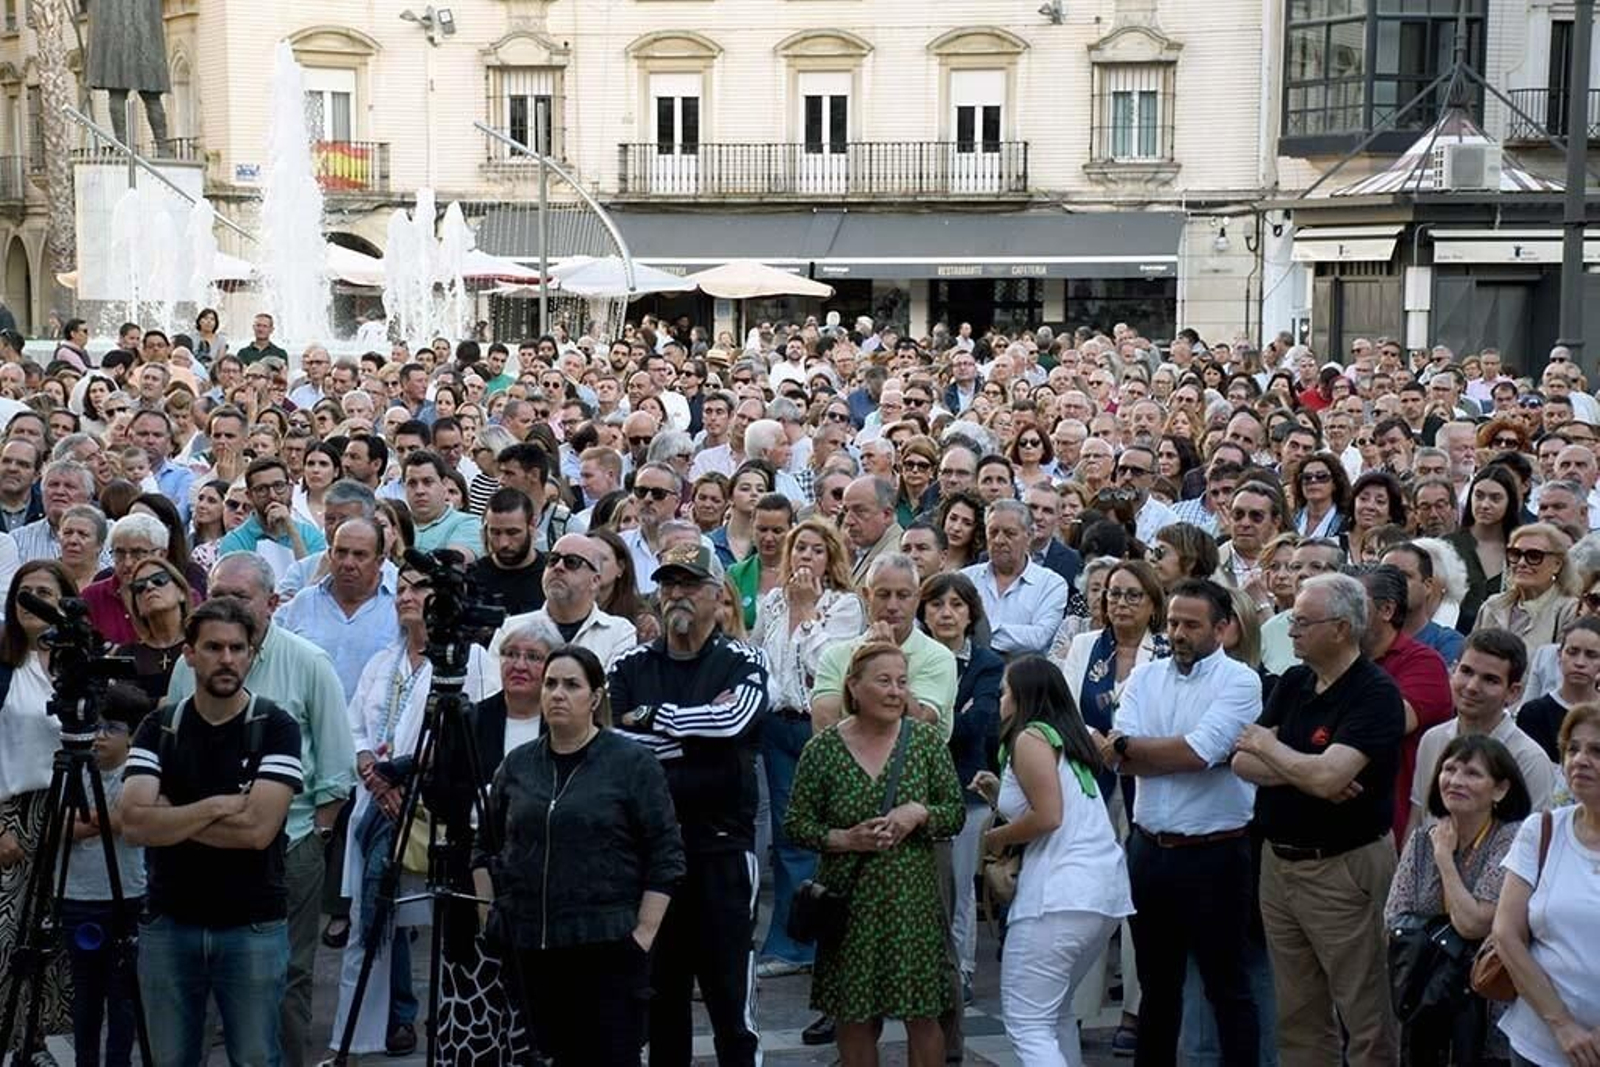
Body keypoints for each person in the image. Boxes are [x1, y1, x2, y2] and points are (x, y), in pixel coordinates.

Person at [163, 552, 354, 1067]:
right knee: (194, 976)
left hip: (288, 846)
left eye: (239, 597)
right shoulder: (192, 665)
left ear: (272, 603)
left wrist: (316, 833)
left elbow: (337, 766)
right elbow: (168, 751)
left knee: (286, 977)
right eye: (218, 594)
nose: (226, 605)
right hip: (197, 847)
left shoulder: (308, 662)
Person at [479, 645, 686, 1067]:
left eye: (571, 685)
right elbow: (484, 844)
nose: (557, 693)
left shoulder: (631, 763)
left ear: (594, 698)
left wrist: (643, 933)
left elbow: (666, 853)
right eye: (551, 683)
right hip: (531, 948)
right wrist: (489, 917)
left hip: (607, 947)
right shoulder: (518, 765)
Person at [1232, 572, 1406, 1066]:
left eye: (1303, 622)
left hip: (1343, 868)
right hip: (1279, 864)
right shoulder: (1294, 681)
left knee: (1366, 1015)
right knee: (1299, 1015)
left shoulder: (1374, 693)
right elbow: (1242, 762)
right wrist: (1306, 770)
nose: (1291, 631)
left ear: (1342, 628)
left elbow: (1304, 768)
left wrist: (1273, 748)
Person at [122, 598, 304, 1067]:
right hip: (170, 923)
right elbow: (134, 823)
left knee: (256, 1057)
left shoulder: (275, 726)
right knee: (169, 1059)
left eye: (238, 648)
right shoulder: (158, 726)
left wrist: (172, 816)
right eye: (214, 647)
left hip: (252, 926)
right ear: (189, 653)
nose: (227, 659)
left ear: (251, 654)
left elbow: (257, 831)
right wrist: (218, 806)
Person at [607, 543, 769, 1067]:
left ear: (718, 594)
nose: (675, 594)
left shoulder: (743, 659)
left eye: (688, 583)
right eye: (668, 584)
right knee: (660, 1000)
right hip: (651, 856)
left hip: (722, 850)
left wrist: (654, 718)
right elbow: (616, 742)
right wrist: (692, 733)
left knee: (730, 1002)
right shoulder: (630, 664)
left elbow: (733, 723)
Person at [1102, 579, 1262, 1066]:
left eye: (1191, 624)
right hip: (1150, 851)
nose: (1178, 633)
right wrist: (1141, 751)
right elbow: (1116, 755)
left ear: (1223, 628)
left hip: (1216, 854)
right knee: (1156, 987)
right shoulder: (1146, 678)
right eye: (1173, 622)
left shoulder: (1240, 681)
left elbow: (1199, 752)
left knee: (1227, 987)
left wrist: (1137, 750)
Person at [785, 642, 965, 1067]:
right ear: (854, 686)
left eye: (902, 683)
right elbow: (796, 824)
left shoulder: (923, 742)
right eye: (883, 681)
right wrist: (846, 839)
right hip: (851, 906)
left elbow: (955, 812)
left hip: (911, 906)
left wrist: (918, 813)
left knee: (922, 1014)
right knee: (855, 1018)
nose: (895, 692)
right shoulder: (823, 750)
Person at [965, 654, 1132, 1067]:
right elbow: (1055, 805)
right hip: (1099, 893)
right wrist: (996, 796)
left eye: (1005, 692)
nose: (1001, 700)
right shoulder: (1067, 737)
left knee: (1026, 1022)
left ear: (1023, 697)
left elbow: (1049, 817)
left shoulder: (1029, 738)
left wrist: (994, 838)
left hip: (1057, 896)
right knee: (1054, 1016)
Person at [749, 518, 866, 978]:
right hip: (779, 726)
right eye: (800, 549)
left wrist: (805, 615)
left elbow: (827, 668)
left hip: (824, 726)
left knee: (826, 834)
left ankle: (819, 943)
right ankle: (792, 942)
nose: (805, 557)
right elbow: (763, 658)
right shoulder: (773, 600)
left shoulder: (846, 606)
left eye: (817, 550)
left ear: (831, 557)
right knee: (790, 835)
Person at [1384, 735, 1530, 1065]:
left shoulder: (1513, 839)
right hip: (1426, 999)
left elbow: (1475, 923)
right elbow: (1394, 920)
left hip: (1488, 1002)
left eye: (1472, 773)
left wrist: (1445, 860)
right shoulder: (1423, 838)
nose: (1456, 781)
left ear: (1500, 789)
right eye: (1449, 769)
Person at [1490, 703, 1600, 1067]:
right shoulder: (1542, 830)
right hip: (1539, 1044)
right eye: (1573, 748)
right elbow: (1506, 933)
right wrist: (1563, 1025)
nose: (1581, 760)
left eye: (1597, 751)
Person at [0, 562, 76, 1057]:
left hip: (72, 814)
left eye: (44, 593)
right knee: (7, 944)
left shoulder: (79, 662)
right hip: (12, 812)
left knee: (62, 943)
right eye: (24, 593)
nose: (32, 601)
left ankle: (51, 1049)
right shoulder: (5, 661)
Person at [918, 572, 1003, 995]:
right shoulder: (911, 657)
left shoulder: (987, 663)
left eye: (955, 604)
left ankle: (960, 970)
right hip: (918, 789)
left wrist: (935, 715)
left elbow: (974, 726)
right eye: (936, 604)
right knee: (920, 890)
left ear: (971, 613)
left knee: (959, 887)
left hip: (966, 786)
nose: (946, 613)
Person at [1408, 629, 1558, 834]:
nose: (1471, 687)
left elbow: (1531, 846)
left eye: (1490, 680)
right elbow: (1418, 819)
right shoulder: (1433, 740)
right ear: (1453, 671)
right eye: (1466, 671)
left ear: (1513, 692)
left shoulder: (1529, 760)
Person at [60, 716, 145, 1067]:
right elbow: (57, 825)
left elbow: (132, 823)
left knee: (123, 996)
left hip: (126, 894)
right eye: (96, 727)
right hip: (76, 895)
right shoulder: (70, 770)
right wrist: (107, 821)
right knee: (86, 994)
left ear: (131, 738)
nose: (100, 736)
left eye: (112, 728)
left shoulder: (138, 774)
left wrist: (87, 821)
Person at [276, 517, 398, 701]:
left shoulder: (396, 609)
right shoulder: (304, 602)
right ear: (329, 555)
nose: (348, 563)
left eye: (360, 555)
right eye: (341, 552)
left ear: (380, 562)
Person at [489, 534, 638, 673]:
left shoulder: (619, 633)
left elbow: (611, 696)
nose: (558, 567)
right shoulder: (510, 629)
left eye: (572, 562)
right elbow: (493, 693)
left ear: (595, 581)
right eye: (553, 559)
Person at [961, 500, 1069, 657]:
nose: (999, 540)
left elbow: (1039, 638)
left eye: (1009, 533)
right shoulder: (966, 579)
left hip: (1025, 678)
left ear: (1029, 536)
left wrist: (977, 632)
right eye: (993, 532)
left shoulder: (1051, 584)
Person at [1474, 523, 1577, 650]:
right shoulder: (1492, 606)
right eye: (1515, 554)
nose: (1521, 563)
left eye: (1534, 556)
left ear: (1557, 565)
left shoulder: (1569, 610)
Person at [1447, 465, 1523, 636]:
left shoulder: (1521, 549)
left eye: (1495, 498)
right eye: (1479, 496)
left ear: (1509, 502)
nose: (1485, 505)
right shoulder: (1447, 546)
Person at [1517, 616, 1600, 763]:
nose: (1580, 663)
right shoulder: (1534, 713)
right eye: (1572, 652)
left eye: (1591, 655)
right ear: (1559, 655)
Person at [114, 556, 193, 701]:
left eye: (159, 579)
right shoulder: (126, 654)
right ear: (137, 606)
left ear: (181, 592)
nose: (149, 587)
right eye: (139, 586)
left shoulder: (200, 645)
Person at [466, 488, 546, 617]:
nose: (504, 543)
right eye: (495, 532)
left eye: (513, 532)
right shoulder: (472, 577)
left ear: (532, 525)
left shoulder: (550, 576)